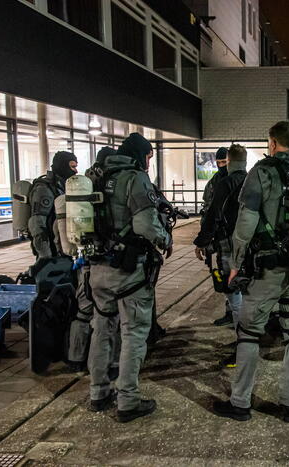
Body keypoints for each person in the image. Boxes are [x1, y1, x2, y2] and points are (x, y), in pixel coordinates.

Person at [213, 121, 289, 423]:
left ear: (272, 143)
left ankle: (241, 402)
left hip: (265, 271)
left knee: (249, 333)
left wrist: (236, 265)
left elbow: (244, 226)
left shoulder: (261, 172)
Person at [87, 133, 172, 423]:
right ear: (140, 155)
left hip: (96, 269)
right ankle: (128, 400)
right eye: (148, 156)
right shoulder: (134, 178)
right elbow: (145, 224)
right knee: (134, 333)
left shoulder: (95, 175)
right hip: (128, 270)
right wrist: (166, 237)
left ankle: (98, 392)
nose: (149, 162)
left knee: (101, 329)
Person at [193, 144, 248, 366]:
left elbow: (213, 214)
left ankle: (243, 347)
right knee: (248, 295)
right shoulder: (255, 180)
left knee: (235, 297)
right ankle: (249, 342)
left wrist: (202, 241)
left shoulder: (225, 183)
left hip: (229, 246)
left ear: (230, 160)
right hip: (252, 248)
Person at [67, 147, 117, 372]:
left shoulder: (84, 181)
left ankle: (76, 357)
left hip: (84, 257)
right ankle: (111, 364)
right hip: (106, 258)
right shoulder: (112, 181)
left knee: (83, 309)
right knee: (109, 315)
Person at [28, 151, 78, 259]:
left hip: (63, 244)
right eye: (72, 167)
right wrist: (45, 255)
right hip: (51, 247)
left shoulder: (64, 185)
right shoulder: (44, 189)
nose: (75, 171)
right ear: (62, 166)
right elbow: (37, 223)